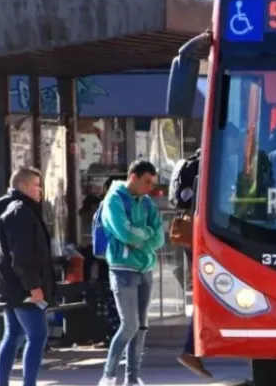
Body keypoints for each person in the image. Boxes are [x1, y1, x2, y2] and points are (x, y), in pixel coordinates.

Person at [0, 167, 55, 386]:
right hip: (22, 287)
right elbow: (21, 255)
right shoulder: (20, 212)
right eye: (35, 185)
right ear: (22, 186)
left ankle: (2, 383)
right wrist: (33, 286)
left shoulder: (18, 209)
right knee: (37, 335)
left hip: (12, 285)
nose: (40, 190)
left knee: (13, 335)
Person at [99, 159, 165, 386]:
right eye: (147, 181)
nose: (150, 187)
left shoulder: (146, 202)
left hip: (145, 267)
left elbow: (160, 236)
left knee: (141, 326)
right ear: (133, 177)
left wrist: (143, 235)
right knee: (130, 325)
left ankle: (133, 378)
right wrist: (146, 234)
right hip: (123, 269)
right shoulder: (114, 200)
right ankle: (108, 375)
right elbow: (124, 234)